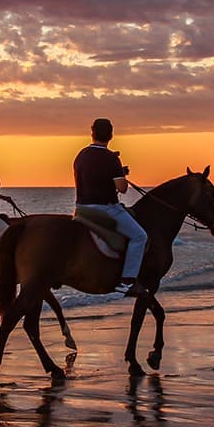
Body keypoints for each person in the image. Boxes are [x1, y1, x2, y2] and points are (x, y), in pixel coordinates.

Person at [73, 118, 148, 297]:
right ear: (111, 135)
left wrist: (116, 171)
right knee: (139, 236)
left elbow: (93, 175)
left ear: (92, 133)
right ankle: (127, 280)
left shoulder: (81, 155)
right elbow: (122, 188)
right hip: (104, 208)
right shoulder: (111, 157)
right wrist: (120, 172)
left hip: (81, 207)